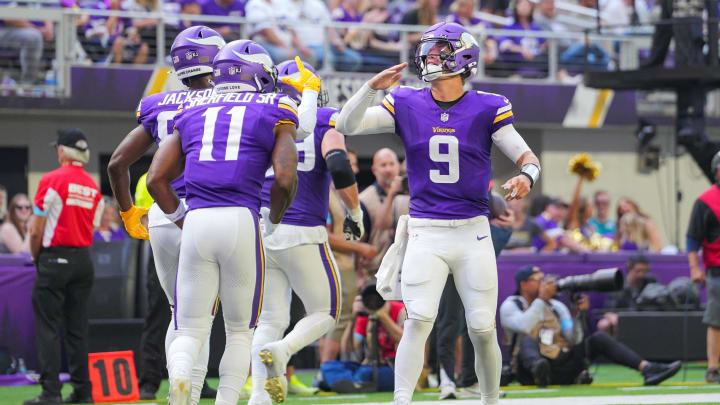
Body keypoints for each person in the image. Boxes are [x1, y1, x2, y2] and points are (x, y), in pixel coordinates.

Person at [336, 21, 542, 405]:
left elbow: (527, 157)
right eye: (428, 50)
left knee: (481, 327)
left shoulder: (488, 106)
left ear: (462, 58)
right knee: (419, 320)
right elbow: (346, 124)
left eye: (439, 50)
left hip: (472, 231)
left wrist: (527, 176)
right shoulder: (406, 101)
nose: (429, 57)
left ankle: (490, 400)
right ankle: (401, 400)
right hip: (426, 231)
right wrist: (369, 89)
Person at [147, 39, 299, 405]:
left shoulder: (193, 107)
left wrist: (181, 217)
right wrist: (274, 220)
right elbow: (283, 178)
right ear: (260, 74)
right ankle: (227, 401)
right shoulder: (274, 106)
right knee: (238, 331)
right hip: (241, 220)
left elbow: (155, 178)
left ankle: (180, 384)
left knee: (189, 327)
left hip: (197, 219)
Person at [107, 25, 224, 402]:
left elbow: (116, 164)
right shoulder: (228, 102)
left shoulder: (160, 103)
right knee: (202, 317)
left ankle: (179, 387)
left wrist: (128, 212)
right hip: (205, 212)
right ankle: (186, 389)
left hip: (161, 215)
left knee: (178, 313)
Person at [248, 58, 364, 404]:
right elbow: (340, 165)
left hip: (261, 228)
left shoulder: (262, 118)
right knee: (324, 313)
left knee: (270, 318)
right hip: (302, 230)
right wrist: (354, 211)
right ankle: (283, 351)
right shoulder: (325, 120)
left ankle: (259, 398)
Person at [500, 266, 681, 388]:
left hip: (561, 364)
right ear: (523, 284)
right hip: (529, 369)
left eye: (544, 279)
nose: (543, 283)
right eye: (537, 279)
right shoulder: (511, 305)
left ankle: (647, 368)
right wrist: (541, 300)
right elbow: (524, 326)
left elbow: (573, 338)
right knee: (529, 341)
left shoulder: (557, 306)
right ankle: (540, 371)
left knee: (598, 339)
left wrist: (578, 316)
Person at [24, 129, 104, 405]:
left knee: (47, 326)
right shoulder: (94, 188)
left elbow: (36, 230)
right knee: (77, 329)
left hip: (54, 258)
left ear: (62, 151)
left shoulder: (51, 180)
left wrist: (37, 257)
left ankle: (50, 393)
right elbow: (93, 228)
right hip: (83, 261)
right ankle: (83, 392)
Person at [320, 149, 378, 371]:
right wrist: (359, 247)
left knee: (333, 318)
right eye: (350, 164)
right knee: (338, 317)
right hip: (333, 263)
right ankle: (326, 371)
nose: (354, 169)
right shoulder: (325, 193)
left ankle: (325, 371)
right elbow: (324, 235)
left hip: (345, 264)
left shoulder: (341, 195)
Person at [321, 282, 405, 393]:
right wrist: (353, 317)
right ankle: (354, 384)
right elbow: (347, 349)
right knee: (328, 367)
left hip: (394, 367)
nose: (373, 303)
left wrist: (383, 316)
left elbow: (403, 339)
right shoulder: (365, 314)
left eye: (377, 299)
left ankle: (349, 382)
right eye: (369, 300)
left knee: (364, 373)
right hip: (370, 366)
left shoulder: (400, 310)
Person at [687, 151, 720, 383]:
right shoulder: (705, 201)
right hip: (717, 270)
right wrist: (694, 268)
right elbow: (692, 239)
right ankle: (712, 368)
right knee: (716, 319)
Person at [358, 148, 400, 277]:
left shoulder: (411, 194)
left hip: (406, 269)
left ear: (398, 166)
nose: (388, 169)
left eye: (392, 164)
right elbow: (358, 241)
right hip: (376, 272)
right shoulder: (363, 199)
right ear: (374, 169)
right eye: (383, 165)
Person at [597, 254, 656, 336]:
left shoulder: (651, 282)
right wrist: (613, 317)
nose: (641, 275)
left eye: (645, 271)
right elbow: (608, 311)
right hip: (622, 319)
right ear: (629, 267)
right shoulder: (618, 285)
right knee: (604, 324)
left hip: (645, 319)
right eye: (638, 271)